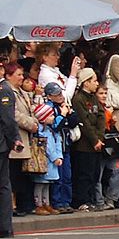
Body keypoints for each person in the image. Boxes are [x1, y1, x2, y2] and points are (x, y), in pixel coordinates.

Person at [71, 68, 106, 212]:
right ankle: (81, 200)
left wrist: (100, 137)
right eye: (94, 81)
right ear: (86, 82)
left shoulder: (93, 98)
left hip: (97, 141)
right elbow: (84, 122)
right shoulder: (79, 99)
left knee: (94, 173)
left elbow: (101, 117)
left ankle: (91, 198)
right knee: (84, 173)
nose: (96, 84)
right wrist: (94, 139)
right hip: (84, 144)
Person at [6, 63, 36, 217]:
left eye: (22, 74)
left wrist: (35, 120)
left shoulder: (22, 92)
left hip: (25, 138)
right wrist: (31, 123)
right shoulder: (7, 91)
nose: (22, 77)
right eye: (18, 74)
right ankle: (12, 205)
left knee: (21, 174)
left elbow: (30, 109)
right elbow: (14, 114)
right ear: (8, 76)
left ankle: (23, 203)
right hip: (15, 138)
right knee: (12, 174)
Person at [43, 82, 77, 213]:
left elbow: (73, 122)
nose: (60, 96)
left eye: (60, 93)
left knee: (67, 176)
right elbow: (55, 126)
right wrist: (62, 116)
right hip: (55, 147)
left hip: (65, 145)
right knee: (58, 177)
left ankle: (66, 201)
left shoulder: (64, 105)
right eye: (57, 94)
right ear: (50, 96)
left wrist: (70, 113)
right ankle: (57, 202)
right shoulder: (48, 108)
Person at [0, 66, 21, 237]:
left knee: (3, 185)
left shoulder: (4, 90)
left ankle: (5, 226)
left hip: (1, 144)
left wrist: (13, 139)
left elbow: (8, 119)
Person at [31, 102, 62, 215]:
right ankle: (38, 204)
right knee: (40, 183)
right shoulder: (40, 132)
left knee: (47, 184)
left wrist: (59, 156)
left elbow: (57, 142)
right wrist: (54, 157)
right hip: (43, 161)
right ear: (43, 118)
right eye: (50, 115)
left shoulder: (50, 131)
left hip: (51, 162)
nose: (53, 117)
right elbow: (46, 146)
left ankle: (46, 203)